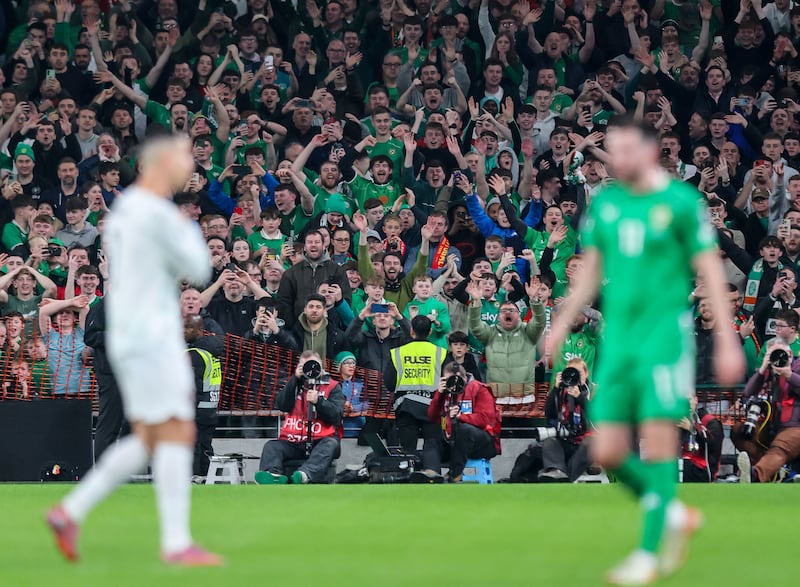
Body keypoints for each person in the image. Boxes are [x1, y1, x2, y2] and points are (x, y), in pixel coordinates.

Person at [549, 118, 745, 585]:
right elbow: (592, 269)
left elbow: (709, 271)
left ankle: (648, 552)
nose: (617, 158)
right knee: (609, 449)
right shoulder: (609, 203)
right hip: (618, 338)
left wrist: (727, 337)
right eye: (610, 150)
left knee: (658, 443)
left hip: (663, 338)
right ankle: (672, 511)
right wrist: (560, 324)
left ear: (652, 150)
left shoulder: (680, 202)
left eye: (625, 149)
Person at [46, 136, 222, 566]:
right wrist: (186, 225)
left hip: (131, 334)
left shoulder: (123, 210)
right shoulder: (157, 213)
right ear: (158, 165)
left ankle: (70, 512)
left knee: (150, 435)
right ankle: (177, 542)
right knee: (177, 430)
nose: (189, 166)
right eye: (182, 159)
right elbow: (199, 268)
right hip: (152, 335)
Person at [255, 351, 344, 485]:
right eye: (305, 365)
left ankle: (304, 475)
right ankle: (273, 475)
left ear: (322, 366)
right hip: (293, 440)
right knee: (272, 446)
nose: (310, 369)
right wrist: (295, 379)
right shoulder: (295, 383)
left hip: (321, 439)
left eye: (314, 365)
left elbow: (336, 415)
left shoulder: (332, 386)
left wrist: (319, 402)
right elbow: (282, 405)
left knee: (330, 445)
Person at [387, 315, 446, 483]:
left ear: (411, 331)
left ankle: (406, 476)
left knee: (407, 446)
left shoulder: (397, 353)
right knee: (432, 442)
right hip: (432, 407)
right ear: (430, 331)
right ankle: (432, 472)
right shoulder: (440, 353)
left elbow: (390, 383)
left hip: (405, 407)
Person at [732, 339, 800, 483]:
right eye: (773, 355)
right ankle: (773, 470)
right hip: (773, 427)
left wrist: (788, 374)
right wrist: (762, 369)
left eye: (781, 354)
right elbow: (748, 391)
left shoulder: (797, 367)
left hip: (795, 428)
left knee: (782, 444)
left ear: (790, 354)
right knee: (739, 430)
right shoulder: (770, 373)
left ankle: (756, 474)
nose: (778, 358)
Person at [427, 362, 500, 483]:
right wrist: (439, 394)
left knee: (465, 430)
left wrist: (461, 416)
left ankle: (455, 475)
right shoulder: (445, 393)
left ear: (465, 378)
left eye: (455, 379)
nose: (453, 384)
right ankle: (431, 473)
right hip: (453, 442)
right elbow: (432, 417)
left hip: (482, 443)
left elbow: (486, 419)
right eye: (448, 379)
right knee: (432, 439)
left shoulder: (479, 389)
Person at [84, 298, 129, 462]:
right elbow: (90, 336)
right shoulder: (103, 306)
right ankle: (104, 469)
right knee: (110, 421)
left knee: (132, 424)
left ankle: (124, 468)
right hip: (111, 373)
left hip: (133, 373)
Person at [537, 359, 593, 483]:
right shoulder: (562, 391)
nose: (575, 377)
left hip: (586, 440)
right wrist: (556, 388)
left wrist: (580, 397)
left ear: (586, 373)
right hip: (567, 439)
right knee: (550, 442)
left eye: (579, 373)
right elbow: (549, 413)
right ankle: (558, 472)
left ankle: (567, 480)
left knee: (590, 443)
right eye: (571, 372)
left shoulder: (594, 390)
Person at [184, 315, 223, 480]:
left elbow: (189, 387)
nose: (183, 331)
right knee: (205, 447)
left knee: (191, 448)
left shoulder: (194, 355)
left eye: (188, 328)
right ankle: (208, 478)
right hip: (210, 408)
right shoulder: (212, 352)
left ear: (200, 331)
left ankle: (194, 479)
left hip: (195, 410)